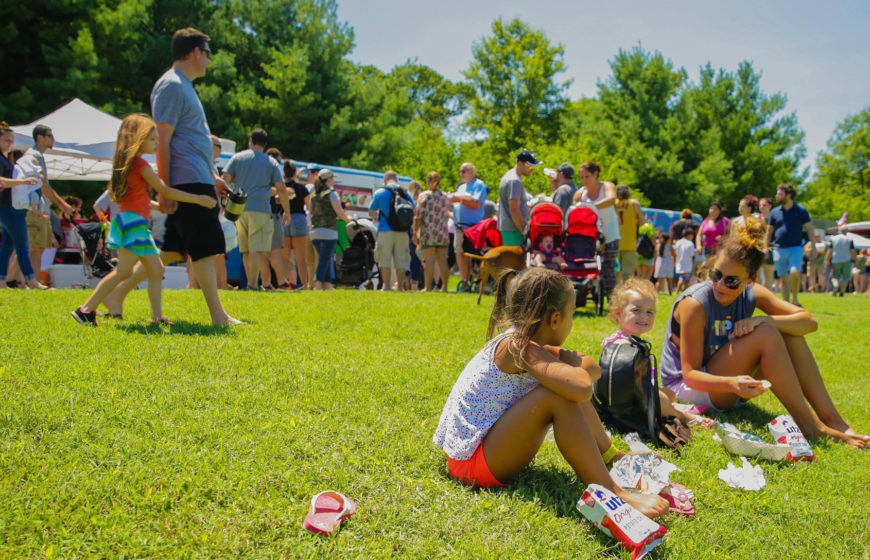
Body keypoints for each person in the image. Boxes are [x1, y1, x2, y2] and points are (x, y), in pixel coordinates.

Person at [432, 267, 668, 518]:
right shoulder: (519, 347)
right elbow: (581, 386)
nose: (572, 323)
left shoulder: (530, 344)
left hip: (477, 456)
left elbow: (593, 369)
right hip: (473, 465)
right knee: (559, 395)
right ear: (555, 320)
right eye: (572, 315)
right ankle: (612, 492)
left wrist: (572, 370)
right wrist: (571, 371)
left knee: (562, 388)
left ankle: (612, 456)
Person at [660, 217, 867, 448]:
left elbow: (809, 322)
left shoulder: (753, 293)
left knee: (784, 330)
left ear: (750, 280)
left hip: (728, 383)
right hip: (688, 389)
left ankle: (833, 420)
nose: (720, 285)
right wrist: (732, 383)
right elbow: (689, 374)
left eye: (731, 281)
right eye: (716, 275)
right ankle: (812, 427)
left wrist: (762, 319)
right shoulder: (695, 304)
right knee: (766, 334)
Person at [101, 28, 240, 325]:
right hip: (185, 180)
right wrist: (163, 189)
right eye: (208, 53)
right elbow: (163, 139)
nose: (210, 60)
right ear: (194, 52)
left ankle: (118, 295)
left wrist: (212, 176)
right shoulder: (172, 86)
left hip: (196, 176)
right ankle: (219, 316)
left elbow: (189, 140)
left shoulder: (184, 86)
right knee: (204, 248)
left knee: (172, 250)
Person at [70, 114, 216, 326]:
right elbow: (163, 190)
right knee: (124, 271)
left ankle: (157, 317)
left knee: (156, 269)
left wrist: (162, 207)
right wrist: (199, 199)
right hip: (134, 224)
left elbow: (139, 200)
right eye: (153, 140)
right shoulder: (139, 164)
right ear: (139, 139)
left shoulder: (130, 164)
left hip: (131, 222)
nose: (158, 143)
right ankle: (86, 309)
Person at [602, 278, 712, 427]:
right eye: (636, 310)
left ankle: (671, 407)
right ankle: (685, 416)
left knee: (669, 393)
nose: (644, 316)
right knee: (662, 399)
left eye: (650, 312)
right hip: (630, 405)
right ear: (618, 313)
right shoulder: (622, 345)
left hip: (643, 395)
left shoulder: (634, 343)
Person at [221, 129, 289, 290]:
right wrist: (287, 211)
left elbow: (225, 179)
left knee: (245, 249)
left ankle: (249, 283)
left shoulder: (237, 157)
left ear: (250, 140)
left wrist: (227, 200)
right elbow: (281, 188)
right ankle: (252, 284)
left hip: (239, 209)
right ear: (265, 144)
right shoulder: (271, 162)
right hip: (261, 209)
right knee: (256, 249)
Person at [16, 125, 75, 284]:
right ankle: (27, 281)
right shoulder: (35, 155)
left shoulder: (36, 155)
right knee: (34, 247)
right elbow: (42, 185)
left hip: (36, 206)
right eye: (50, 135)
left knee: (38, 247)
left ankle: (31, 281)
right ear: (39, 137)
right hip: (34, 207)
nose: (53, 139)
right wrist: (62, 204)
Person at [0, 121, 42, 289]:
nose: (10, 143)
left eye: (12, 140)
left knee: (8, 245)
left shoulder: (5, 159)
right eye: (6, 140)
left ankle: (1, 281)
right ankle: (31, 280)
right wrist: (22, 181)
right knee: (23, 244)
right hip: (9, 207)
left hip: (10, 206)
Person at [572, 161, 620, 298]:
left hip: (610, 235)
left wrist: (592, 206)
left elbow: (611, 199)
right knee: (587, 267)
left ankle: (612, 301)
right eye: (581, 177)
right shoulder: (580, 194)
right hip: (589, 238)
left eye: (587, 176)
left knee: (609, 269)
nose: (584, 180)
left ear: (595, 174)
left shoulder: (607, 186)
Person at [767, 183, 815, 306]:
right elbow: (769, 230)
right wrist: (765, 247)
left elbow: (810, 228)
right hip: (778, 248)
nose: (777, 196)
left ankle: (795, 299)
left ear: (788, 195)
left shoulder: (801, 210)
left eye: (780, 194)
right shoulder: (774, 212)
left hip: (796, 248)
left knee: (794, 272)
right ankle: (786, 303)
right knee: (783, 278)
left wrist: (813, 246)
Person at [369, 170, 414, 291]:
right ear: (397, 180)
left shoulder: (380, 192)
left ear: (385, 180)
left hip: (385, 230)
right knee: (401, 260)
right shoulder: (406, 193)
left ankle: (387, 286)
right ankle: (400, 286)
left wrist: (378, 218)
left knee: (385, 259)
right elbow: (413, 211)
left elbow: (371, 211)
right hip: (402, 231)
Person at [310, 169, 352, 290]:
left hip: (314, 231)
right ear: (328, 179)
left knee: (325, 257)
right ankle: (318, 283)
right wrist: (349, 219)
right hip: (328, 231)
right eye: (333, 178)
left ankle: (327, 284)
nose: (333, 181)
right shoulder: (332, 193)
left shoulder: (314, 194)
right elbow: (339, 212)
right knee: (325, 258)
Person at [450, 162, 488, 292]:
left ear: (472, 171)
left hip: (473, 227)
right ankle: (464, 281)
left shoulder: (478, 185)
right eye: (460, 171)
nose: (461, 173)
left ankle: (475, 280)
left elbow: (476, 204)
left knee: (472, 255)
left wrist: (459, 200)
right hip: (459, 226)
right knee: (459, 253)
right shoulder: (462, 188)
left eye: (464, 171)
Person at [413, 171, 450, 292]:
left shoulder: (424, 196)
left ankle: (427, 287)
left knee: (430, 260)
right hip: (442, 232)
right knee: (442, 259)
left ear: (428, 182)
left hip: (428, 231)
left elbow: (419, 216)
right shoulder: (444, 196)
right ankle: (444, 287)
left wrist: (415, 232)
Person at [498, 149, 540, 247]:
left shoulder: (511, 176)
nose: (532, 169)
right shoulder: (514, 181)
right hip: (514, 230)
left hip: (511, 229)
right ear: (520, 163)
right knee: (515, 262)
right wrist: (524, 231)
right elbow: (514, 209)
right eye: (529, 166)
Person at [282, 161, 310, 289]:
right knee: (301, 258)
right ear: (295, 173)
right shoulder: (301, 188)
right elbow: (309, 206)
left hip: (284, 219)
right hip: (299, 219)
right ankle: (305, 284)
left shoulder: (281, 188)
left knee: (285, 257)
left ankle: (285, 283)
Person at [614, 184, 645, 283]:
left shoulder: (613, 203)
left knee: (615, 270)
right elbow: (642, 221)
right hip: (630, 242)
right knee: (628, 272)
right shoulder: (634, 203)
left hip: (614, 242)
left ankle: (615, 291)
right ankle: (625, 291)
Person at [697, 201, 730, 269]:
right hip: (707, 250)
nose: (713, 211)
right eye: (711, 208)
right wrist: (699, 246)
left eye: (715, 209)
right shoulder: (705, 222)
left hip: (720, 249)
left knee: (718, 268)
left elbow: (732, 234)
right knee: (709, 268)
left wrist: (723, 237)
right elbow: (699, 235)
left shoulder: (725, 221)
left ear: (719, 211)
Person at [825, 226, 856, 297]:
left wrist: (827, 260)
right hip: (847, 260)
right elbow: (853, 251)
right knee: (846, 277)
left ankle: (836, 285)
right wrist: (856, 261)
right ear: (847, 231)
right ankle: (842, 292)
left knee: (834, 276)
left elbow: (829, 251)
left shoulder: (833, 239)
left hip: (835, 260)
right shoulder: (849, 239)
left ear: (839, 231)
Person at [758, 197, 776, 291]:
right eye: (760, 205)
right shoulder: (756, 218)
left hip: (771, 247)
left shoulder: (774, 218)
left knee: (768, 274)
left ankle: (768, 298)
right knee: (756, 275)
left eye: (764, 205)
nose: (761, 207)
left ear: (770, 206)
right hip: (758, 247)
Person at [674, 227, 696, 293]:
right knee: (682, 279)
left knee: (685, 279)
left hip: (679, 262)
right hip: (687, 264)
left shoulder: (678, 242)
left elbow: (675, 252)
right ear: (689, 235)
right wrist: (696, 252)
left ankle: (686, 291)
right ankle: (677, 291)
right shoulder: (690, 243)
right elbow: (691, 253)